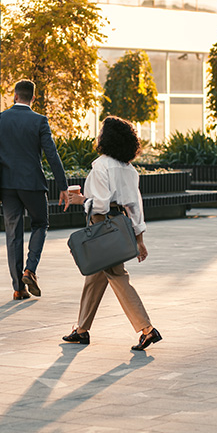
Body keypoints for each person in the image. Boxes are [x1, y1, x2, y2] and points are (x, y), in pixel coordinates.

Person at [62, 116, 162, 351]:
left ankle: (147, 329)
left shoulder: (101, 165)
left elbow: (100, 205)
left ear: (106, 139)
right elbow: (135, 206)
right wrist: (140, 239)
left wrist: (80, 200)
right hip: (121, 224)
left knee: (117, 275)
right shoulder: (130, 170)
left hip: (102, 224)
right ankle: (82, 329)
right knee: (95, 277)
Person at [0, 80, 69, 300]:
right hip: (33, 184)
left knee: (13, 234)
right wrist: (63, 186)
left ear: (15, 96)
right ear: (33, 99)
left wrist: (3, 158)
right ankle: (30, 270)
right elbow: (52, 155)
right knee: (40, 224)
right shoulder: (39, 121)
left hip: (7, 186)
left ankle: (19, 288)